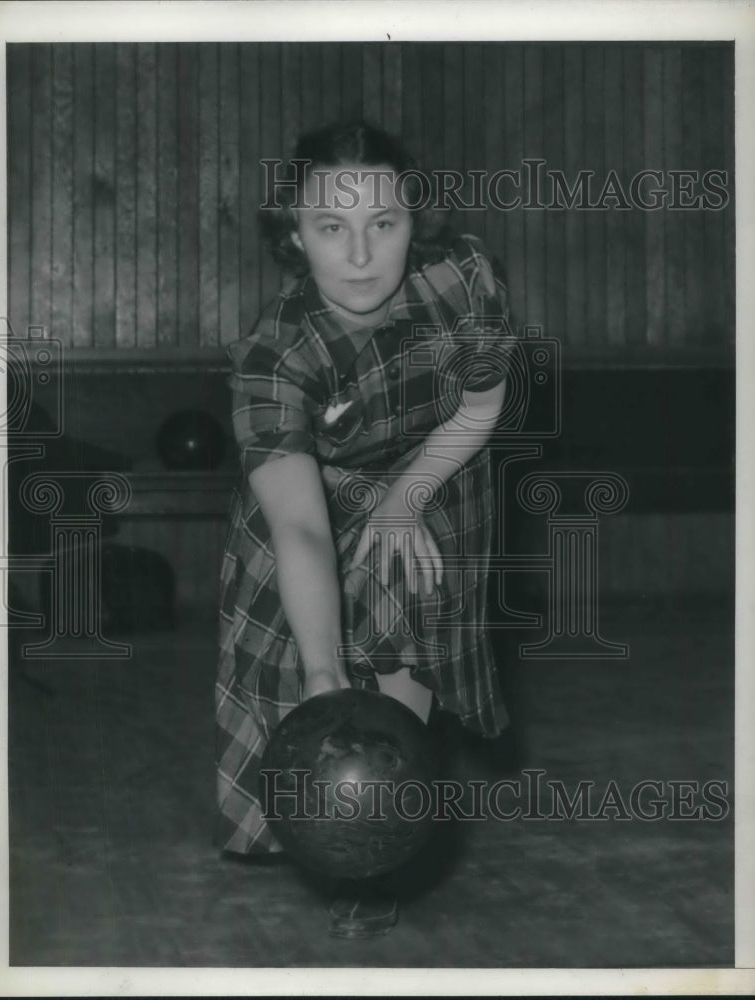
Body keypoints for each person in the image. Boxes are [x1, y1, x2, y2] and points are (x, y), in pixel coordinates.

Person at [216, 121, 515, 937]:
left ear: (415, 222)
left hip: (433, 478)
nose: (358, 255)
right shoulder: (271, 360)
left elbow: (480, 405)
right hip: (307, 509)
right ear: (292, 232)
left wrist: (406, 493)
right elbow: (301, 531)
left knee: (398, 663)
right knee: (311, 684)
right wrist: (320, 680)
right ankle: (330, 827)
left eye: (381, 224)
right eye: (329, 227)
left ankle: (378, 849)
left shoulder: (465, 278)